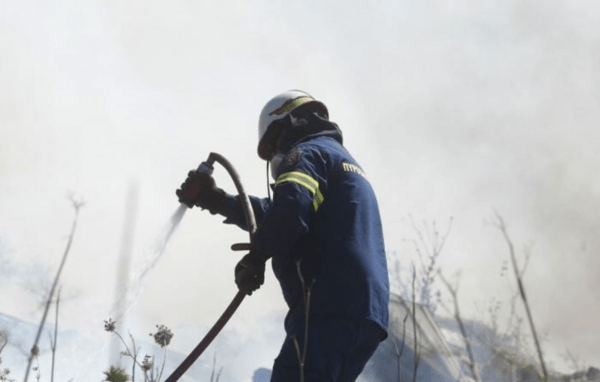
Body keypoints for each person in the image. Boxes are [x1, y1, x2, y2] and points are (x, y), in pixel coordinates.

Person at [176, 90, 389, 382]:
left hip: (325, 304)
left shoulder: (305, 155)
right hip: (366, 315)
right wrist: (217, 200)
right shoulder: (339, 160)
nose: (276, 155)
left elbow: (290, 212)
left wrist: (257, 257)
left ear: (289, 123)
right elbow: (277, 212)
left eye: (274, 144)